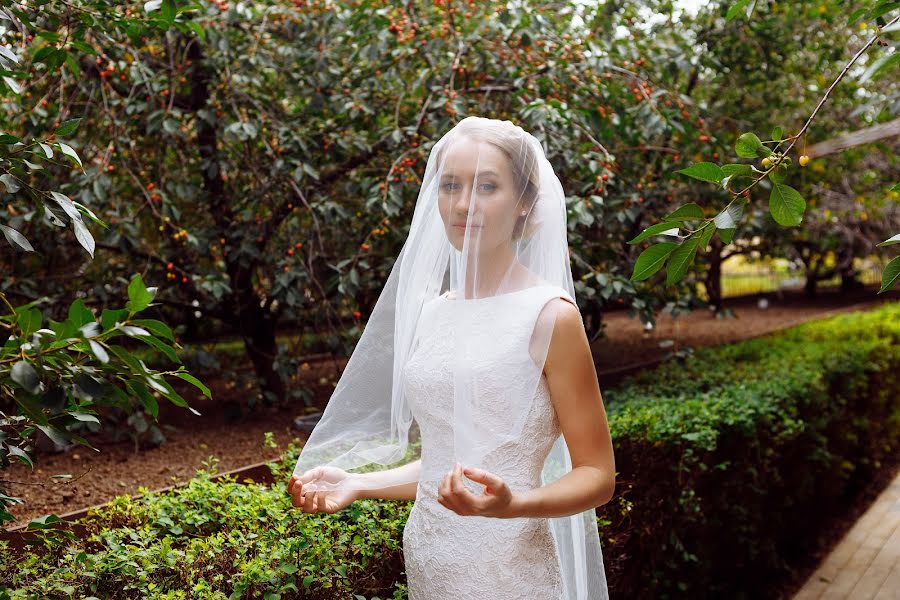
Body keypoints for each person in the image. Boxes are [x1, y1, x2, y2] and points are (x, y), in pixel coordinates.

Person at [287, 116, 614, 599]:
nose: (463, 204)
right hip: (431, 561)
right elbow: (449, 463)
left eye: (487, 186)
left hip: (510, 571)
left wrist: (514, 504)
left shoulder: (549, 317)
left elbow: (598, 475)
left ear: (525, 201)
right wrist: (358, 482)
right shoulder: (434, 314)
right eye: (451, 186)